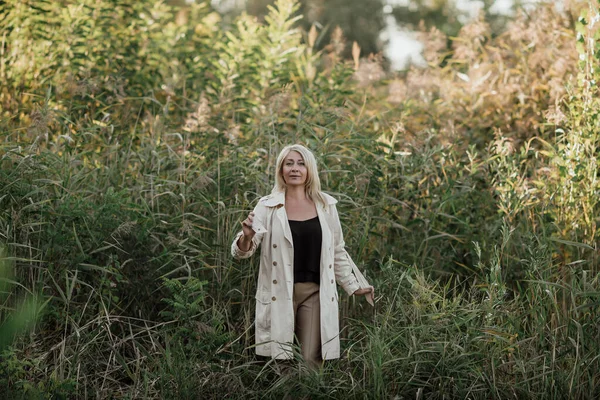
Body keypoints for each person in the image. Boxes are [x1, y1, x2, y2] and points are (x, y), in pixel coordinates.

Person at [231, 144, 374, 366]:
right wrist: (247, 237)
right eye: (289, 163)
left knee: (310, 360)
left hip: (315, 292)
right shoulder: (267, 206)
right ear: (281, 170)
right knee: (282, 359)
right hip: (279, 292)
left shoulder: (326, 205)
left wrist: (353, 285)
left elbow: (336, 249)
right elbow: (241, 253)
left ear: (309, 170)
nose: (295, 168)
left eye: (301, 163)